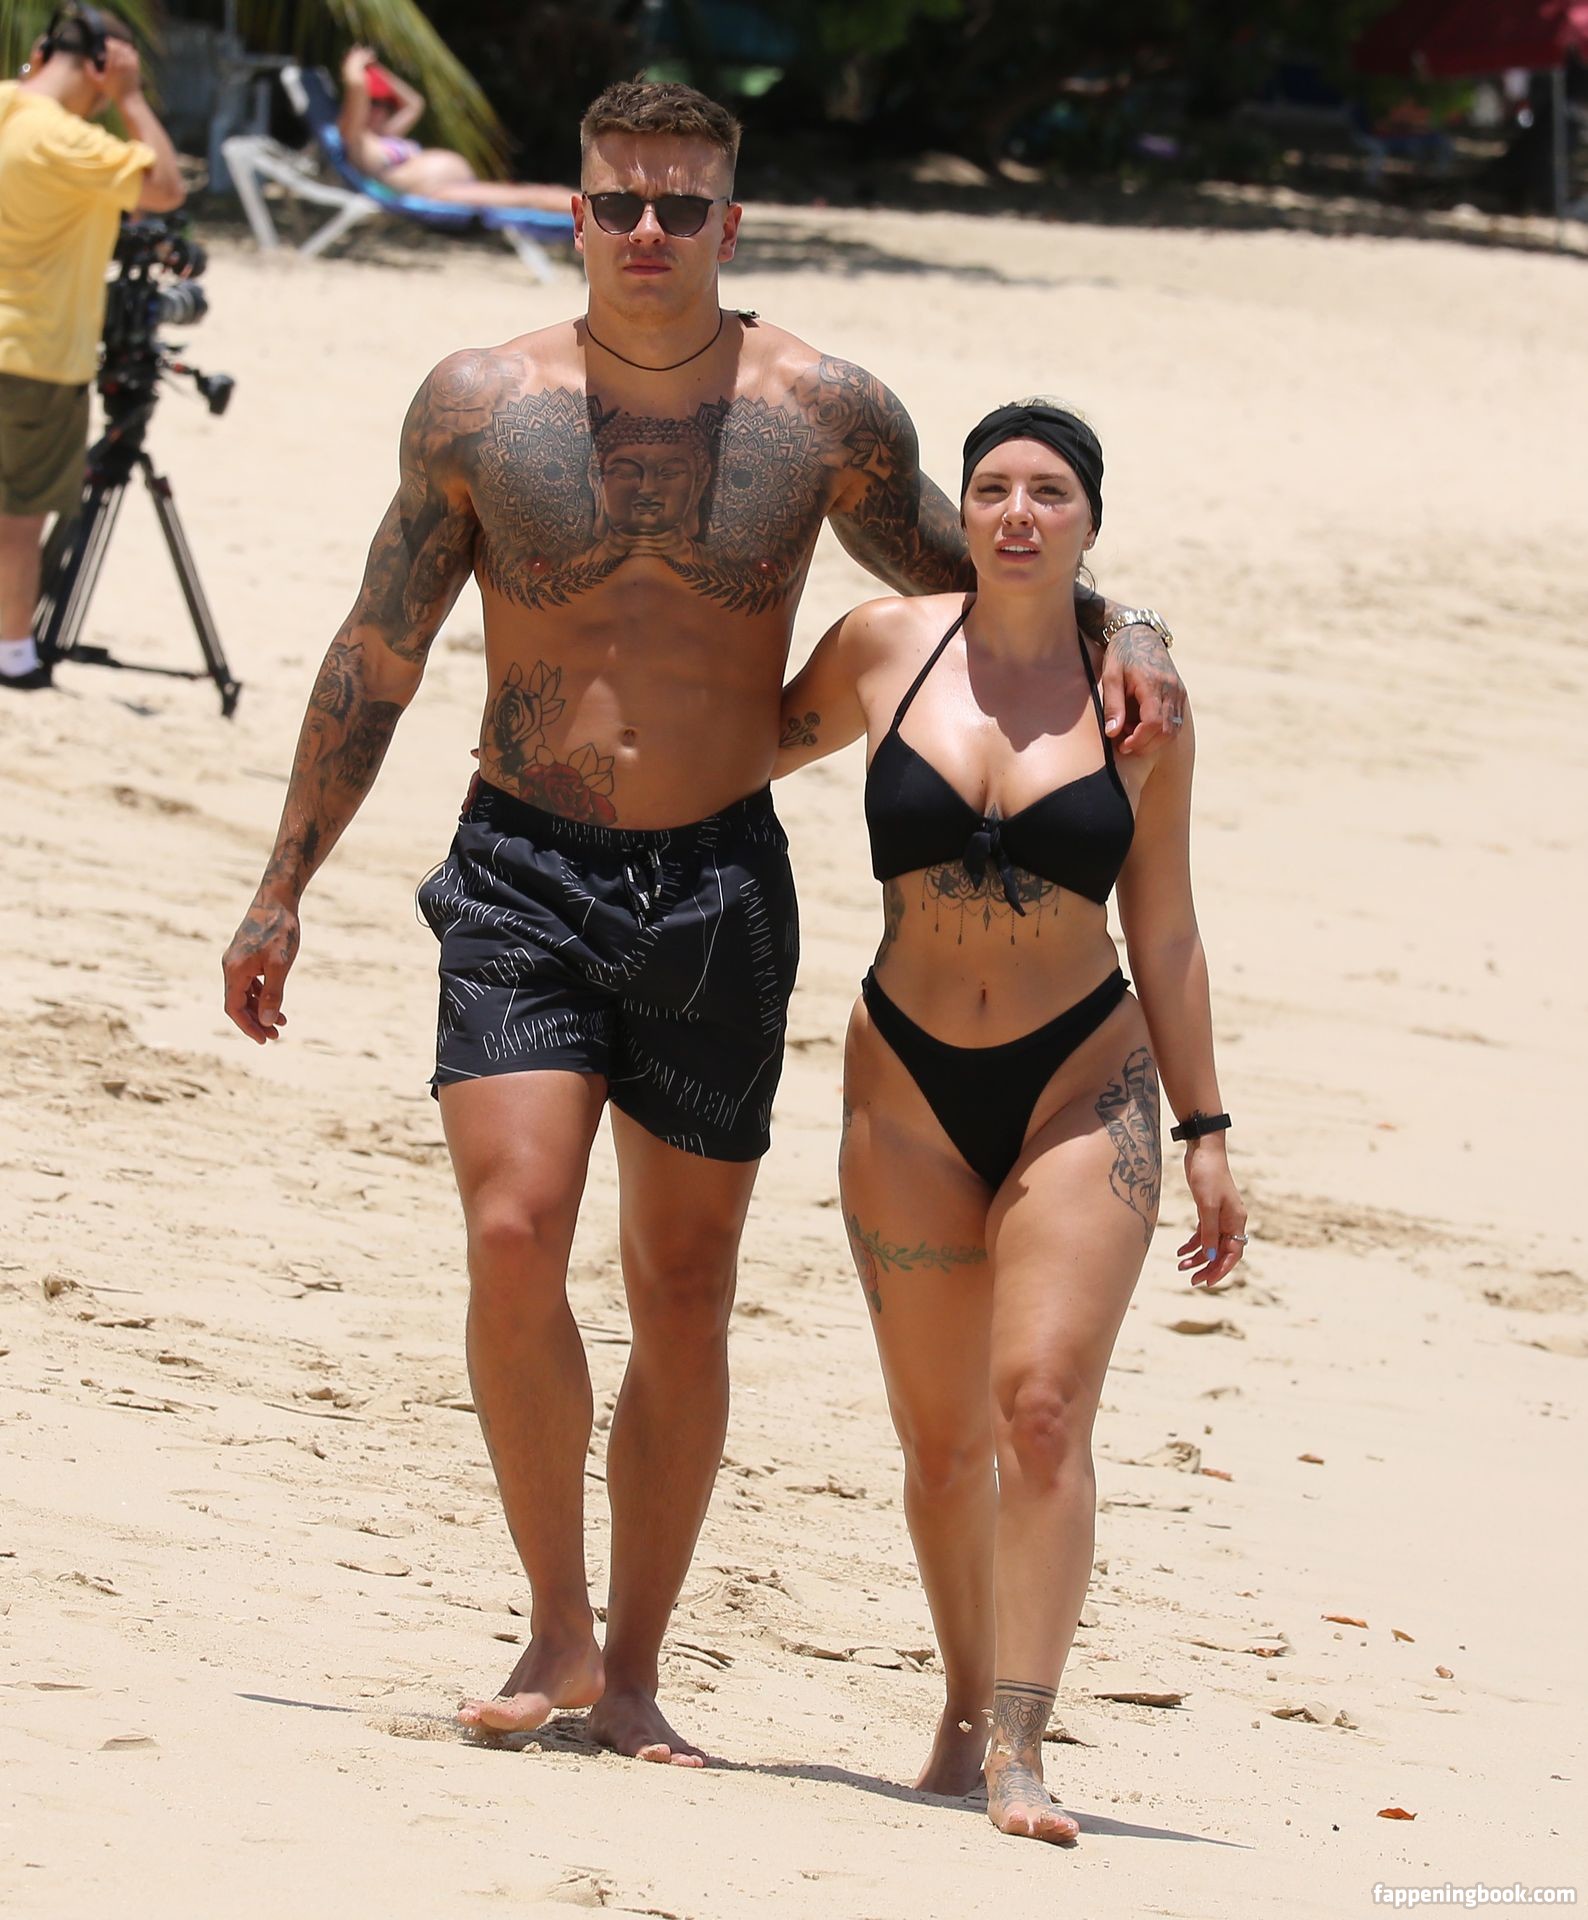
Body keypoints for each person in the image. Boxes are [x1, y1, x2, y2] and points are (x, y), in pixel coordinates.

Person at [220, 80, 1186, 1768]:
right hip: (521, 866)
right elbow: (380, 645)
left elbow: (984, 579)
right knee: (513, 1230)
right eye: (618, 203)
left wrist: (1136, 623)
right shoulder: (477, 406)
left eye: (680, 205)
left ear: (731, 222)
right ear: (574, 217)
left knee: (682, 1285)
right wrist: (283, 879)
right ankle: (556, 1625)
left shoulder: (820, 412)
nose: (648, 230)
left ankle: (638, 1672)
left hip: (718, 883)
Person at [775, 401, 1245, 1841]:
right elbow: (726, 756)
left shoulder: (1140, 700)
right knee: (938, 1446)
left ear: (1091, 522)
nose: (1019, 514)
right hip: (904, 1083)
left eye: (1051, 493)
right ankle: (965, 1701)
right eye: (992, 489)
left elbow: (1165, 927)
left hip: (1079, 1078)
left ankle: (1021, 1747)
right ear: (961, 510)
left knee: (1038, 1410)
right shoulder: (880, 646)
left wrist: (1208, 1129)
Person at [0, 3, 184, 691]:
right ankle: (13, 654)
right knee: (18, 516)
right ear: (104, 64)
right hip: (34, 355)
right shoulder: (64, 141)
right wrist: (130, 99)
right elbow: (165, 188)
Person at [337, 45, 574, 215]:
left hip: (451, 186)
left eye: (385, 105)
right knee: (532, 197)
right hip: (434, 192)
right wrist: (354, 65)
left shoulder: (384, 136)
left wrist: (377, 70)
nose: (380, 111)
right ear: (360, 108)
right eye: (373, 103)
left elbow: (414, 103)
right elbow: (356, 85)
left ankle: (590, 211)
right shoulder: (355, 139)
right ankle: (591, 214)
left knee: (531, 193)